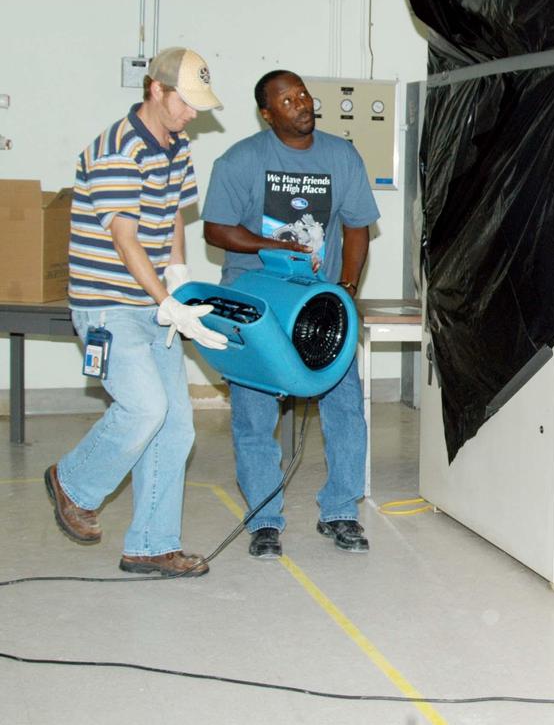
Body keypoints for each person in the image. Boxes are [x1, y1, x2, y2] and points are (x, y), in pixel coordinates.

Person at [47, 47, 227, 578]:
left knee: (176, 428)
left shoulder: (177, 146)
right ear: (156, 89)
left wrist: (179, 282)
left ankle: (150, 545)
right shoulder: (115, 150)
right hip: (109, 308)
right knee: (146, 407)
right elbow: (126, 242)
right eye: (185, 103)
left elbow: (171, 217)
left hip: (152, 304)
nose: (193, 114)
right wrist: (165, 300)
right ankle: (72, 483)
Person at [202, 69, 379, 559]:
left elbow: (359, 226)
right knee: (255, 418)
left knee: (344, 409)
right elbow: (216, 229)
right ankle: (265, 520)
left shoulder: (341, 157)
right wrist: (271, 244)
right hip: (257, 308)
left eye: (303, 94)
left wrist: (344, 289)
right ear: (266, 113)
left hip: (319, 310)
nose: (301, 103)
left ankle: (341, 511)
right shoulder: (241, 160)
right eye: (287, 99)